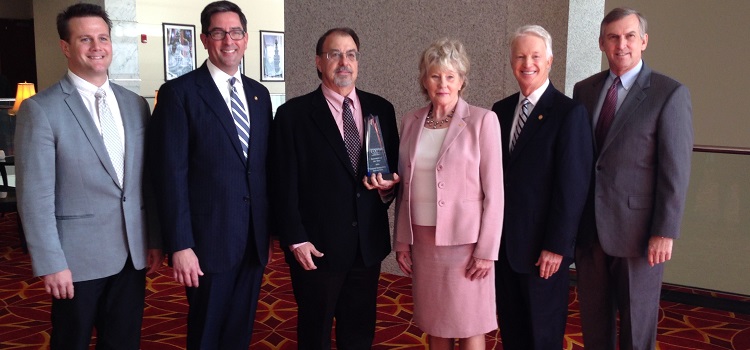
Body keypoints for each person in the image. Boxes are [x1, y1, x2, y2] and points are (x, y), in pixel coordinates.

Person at [14, 3, 162, 348]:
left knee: (124, 341)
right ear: (66, 47)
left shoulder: (135, 104)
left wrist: (154, 238)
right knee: (72, 342)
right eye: (85, 39)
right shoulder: (41, 109)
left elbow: (146, 182)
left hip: (132, 254)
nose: (97, 47)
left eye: (103, 38)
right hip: (75, 261)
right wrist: (51, 262)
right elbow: (35, 197)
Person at [147, 1, 272, 349]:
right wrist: (180, 244)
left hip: (253, 240)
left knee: (239, 332)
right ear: (204, 39)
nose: (227, 40)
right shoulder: (179, 93)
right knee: (207, 333)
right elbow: (169, 175)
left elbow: (261, 169)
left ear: (246, 39)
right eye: (218, 32)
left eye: (235, 32)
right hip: (206, 242)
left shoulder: (259, 95)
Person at [270, 27, 399, 349]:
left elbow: (390, 174)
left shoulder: (380, 109)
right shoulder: (293, 115)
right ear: (319, 61)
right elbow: (281, 183)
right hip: (317, 248)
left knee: (359, 330)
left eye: (351, 54)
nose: (344, 62)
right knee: (315, 331)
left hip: (366, 244)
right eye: (335, 54)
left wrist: (386, 189)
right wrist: (295, 239)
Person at [573, 7, 693, 350]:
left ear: (643, 41)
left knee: (637, 331)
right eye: (612, 37)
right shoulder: (585, 90)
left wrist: (664, 231)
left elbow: (676, 171)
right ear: (601, 43)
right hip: (590, 233)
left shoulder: (669, 93)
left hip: (640, 238)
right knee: (594, 329)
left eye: (628, 36)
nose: (621, 44)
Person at [393, 38, 504, 350]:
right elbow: (406, 185)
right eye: (435, 75)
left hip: (467, 244)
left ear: (462, 80)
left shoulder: (483, 121)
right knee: (435, 323)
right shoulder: (411, 121)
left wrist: (487, 250)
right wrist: (402, 241)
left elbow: (495, 193)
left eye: (450, 76)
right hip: (424, 242)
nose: (442, 83)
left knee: (470, 325)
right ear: (424, 80)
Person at [490, 25, 593, 350]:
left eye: (535, 56)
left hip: (542, 253)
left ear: (549, 61)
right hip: (504, 250)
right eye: (520, 56)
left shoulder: (569, 113)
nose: (527, 63)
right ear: (511, 62)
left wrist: (557, 246)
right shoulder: (501, 110)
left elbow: (573, 187)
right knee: (513, 333)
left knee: (542, 338)